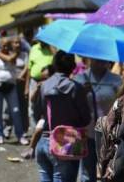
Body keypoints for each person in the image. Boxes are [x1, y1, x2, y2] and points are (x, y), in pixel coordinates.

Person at [33, 50, 91, 182]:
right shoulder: (76, 88)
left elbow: (38, 114)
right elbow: (85, 119)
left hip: (43, 142)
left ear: (54, 65)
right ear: (73, 67)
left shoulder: (43, 86)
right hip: (66, 145)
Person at [74, 58, 122, 182]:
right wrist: (81, 92)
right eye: (96, 59)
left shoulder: (116, 80)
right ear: (90, 59)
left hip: (109, 133)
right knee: (86, 172)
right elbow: (72, 104)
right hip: (85, 133)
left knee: (109, 172)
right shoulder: (79, 79)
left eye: (103, 59)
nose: (100, 62)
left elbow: (122, 104)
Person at [0, 38, 28, 145]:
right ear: (0, 46)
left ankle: (20, 135)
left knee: (15, 111)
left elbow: (10, 59)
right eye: (4, 45)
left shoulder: (14, 54)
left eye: (8, 45)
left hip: (11, 87)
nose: (6, 47)